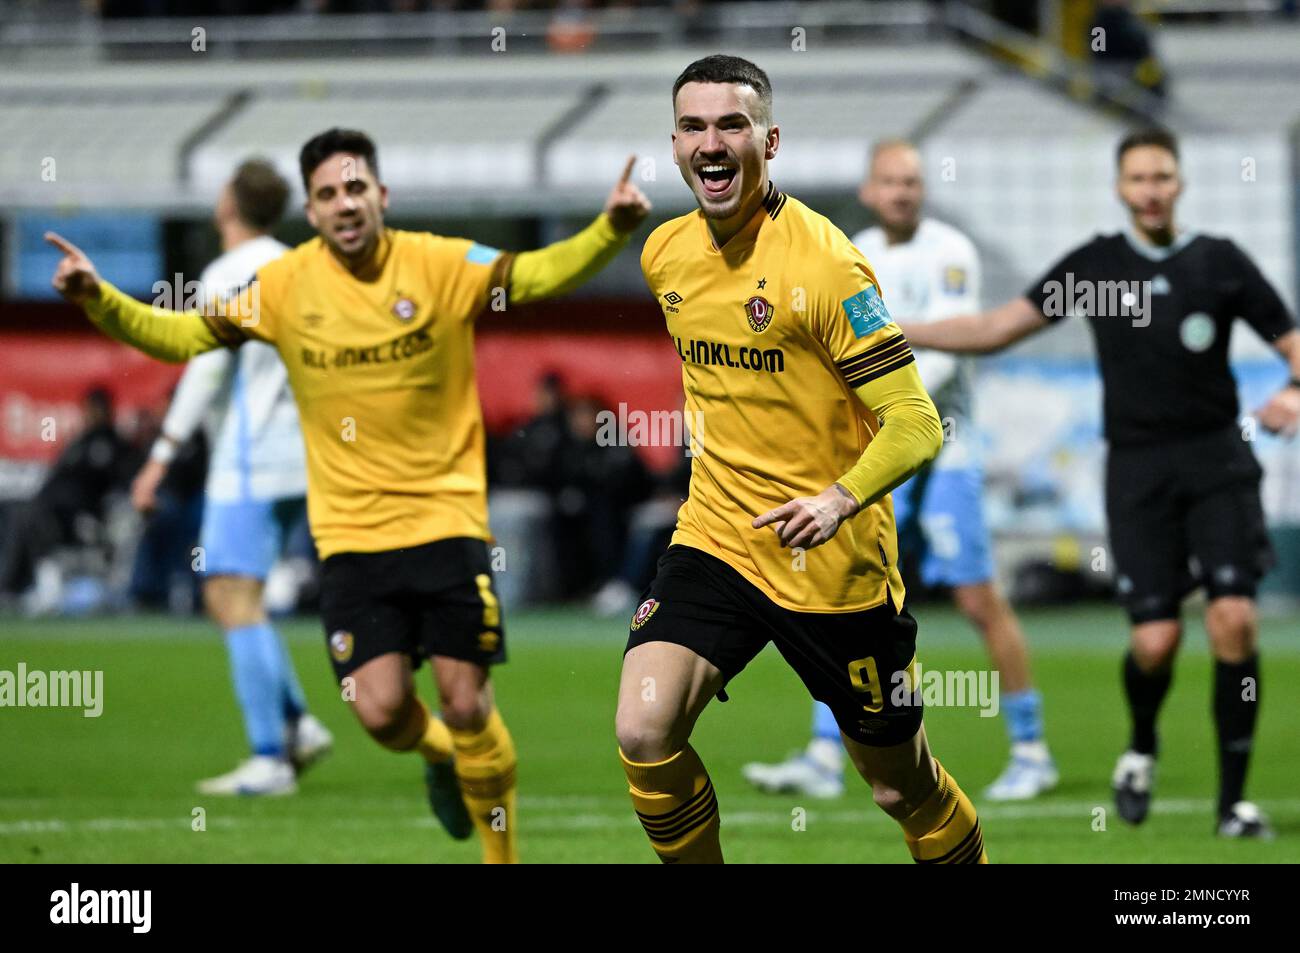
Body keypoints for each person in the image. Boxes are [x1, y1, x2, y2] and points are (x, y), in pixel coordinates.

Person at [46, 127, 651, 863]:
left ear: (381, 196)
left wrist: (609, 228)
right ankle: (436, 755)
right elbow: (182, 338)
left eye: (356, 188)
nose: (345, 203)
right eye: (328, 194)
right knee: (382, 713)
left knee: (467, 702)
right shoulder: (284, 286)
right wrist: (99, 299)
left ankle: (503, 860)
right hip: (352, 541)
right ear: (311, 208)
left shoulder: (440, 263)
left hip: (446, 521)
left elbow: (534, 274)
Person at [616, 55, 987, 864]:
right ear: (674, 144)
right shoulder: (666, 255)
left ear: (769, 139)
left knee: (900, 786)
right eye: (693, 126)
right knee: (643, 730)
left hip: (832, 560)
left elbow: (917, 422)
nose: (712, 143)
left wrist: (837, 500)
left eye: (732, 125)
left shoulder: (827, 262)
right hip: (717, 538)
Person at [900, 128, 1300, 838]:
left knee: (1233, 619)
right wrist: (903, 333)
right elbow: (997, 326)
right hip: (1137, 470)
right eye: (1139, 178)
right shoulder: (1095, 266)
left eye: (1163, 176)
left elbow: (1294, 344)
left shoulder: (1220, 262)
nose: (1151, 189)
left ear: (1180, 184)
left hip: (1217, 461)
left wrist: (1295, 390)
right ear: (1120, 187)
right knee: (1155, 641)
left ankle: (1233, 803)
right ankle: (1141, 747)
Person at [742, 140, 1056, 802]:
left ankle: (1031, 748)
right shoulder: (854, 252)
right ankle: (826, 755)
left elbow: (948, 348)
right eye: (890, 181)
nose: (903, 191)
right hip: (876, 449)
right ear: (868, 189)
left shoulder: (950, 251)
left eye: (912, 181)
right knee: (843, 593)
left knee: (976, 598)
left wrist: (889, 410)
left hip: (946, 444)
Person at [130, 159, 332, 796]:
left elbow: (206, 370)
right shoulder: (303, 263)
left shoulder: (227, 272)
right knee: (242, 594)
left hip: (249, 458)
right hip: (304, 456)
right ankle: (298, 724)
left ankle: (271, 756)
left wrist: (160, 455)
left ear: (230, 204)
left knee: (227, 594)